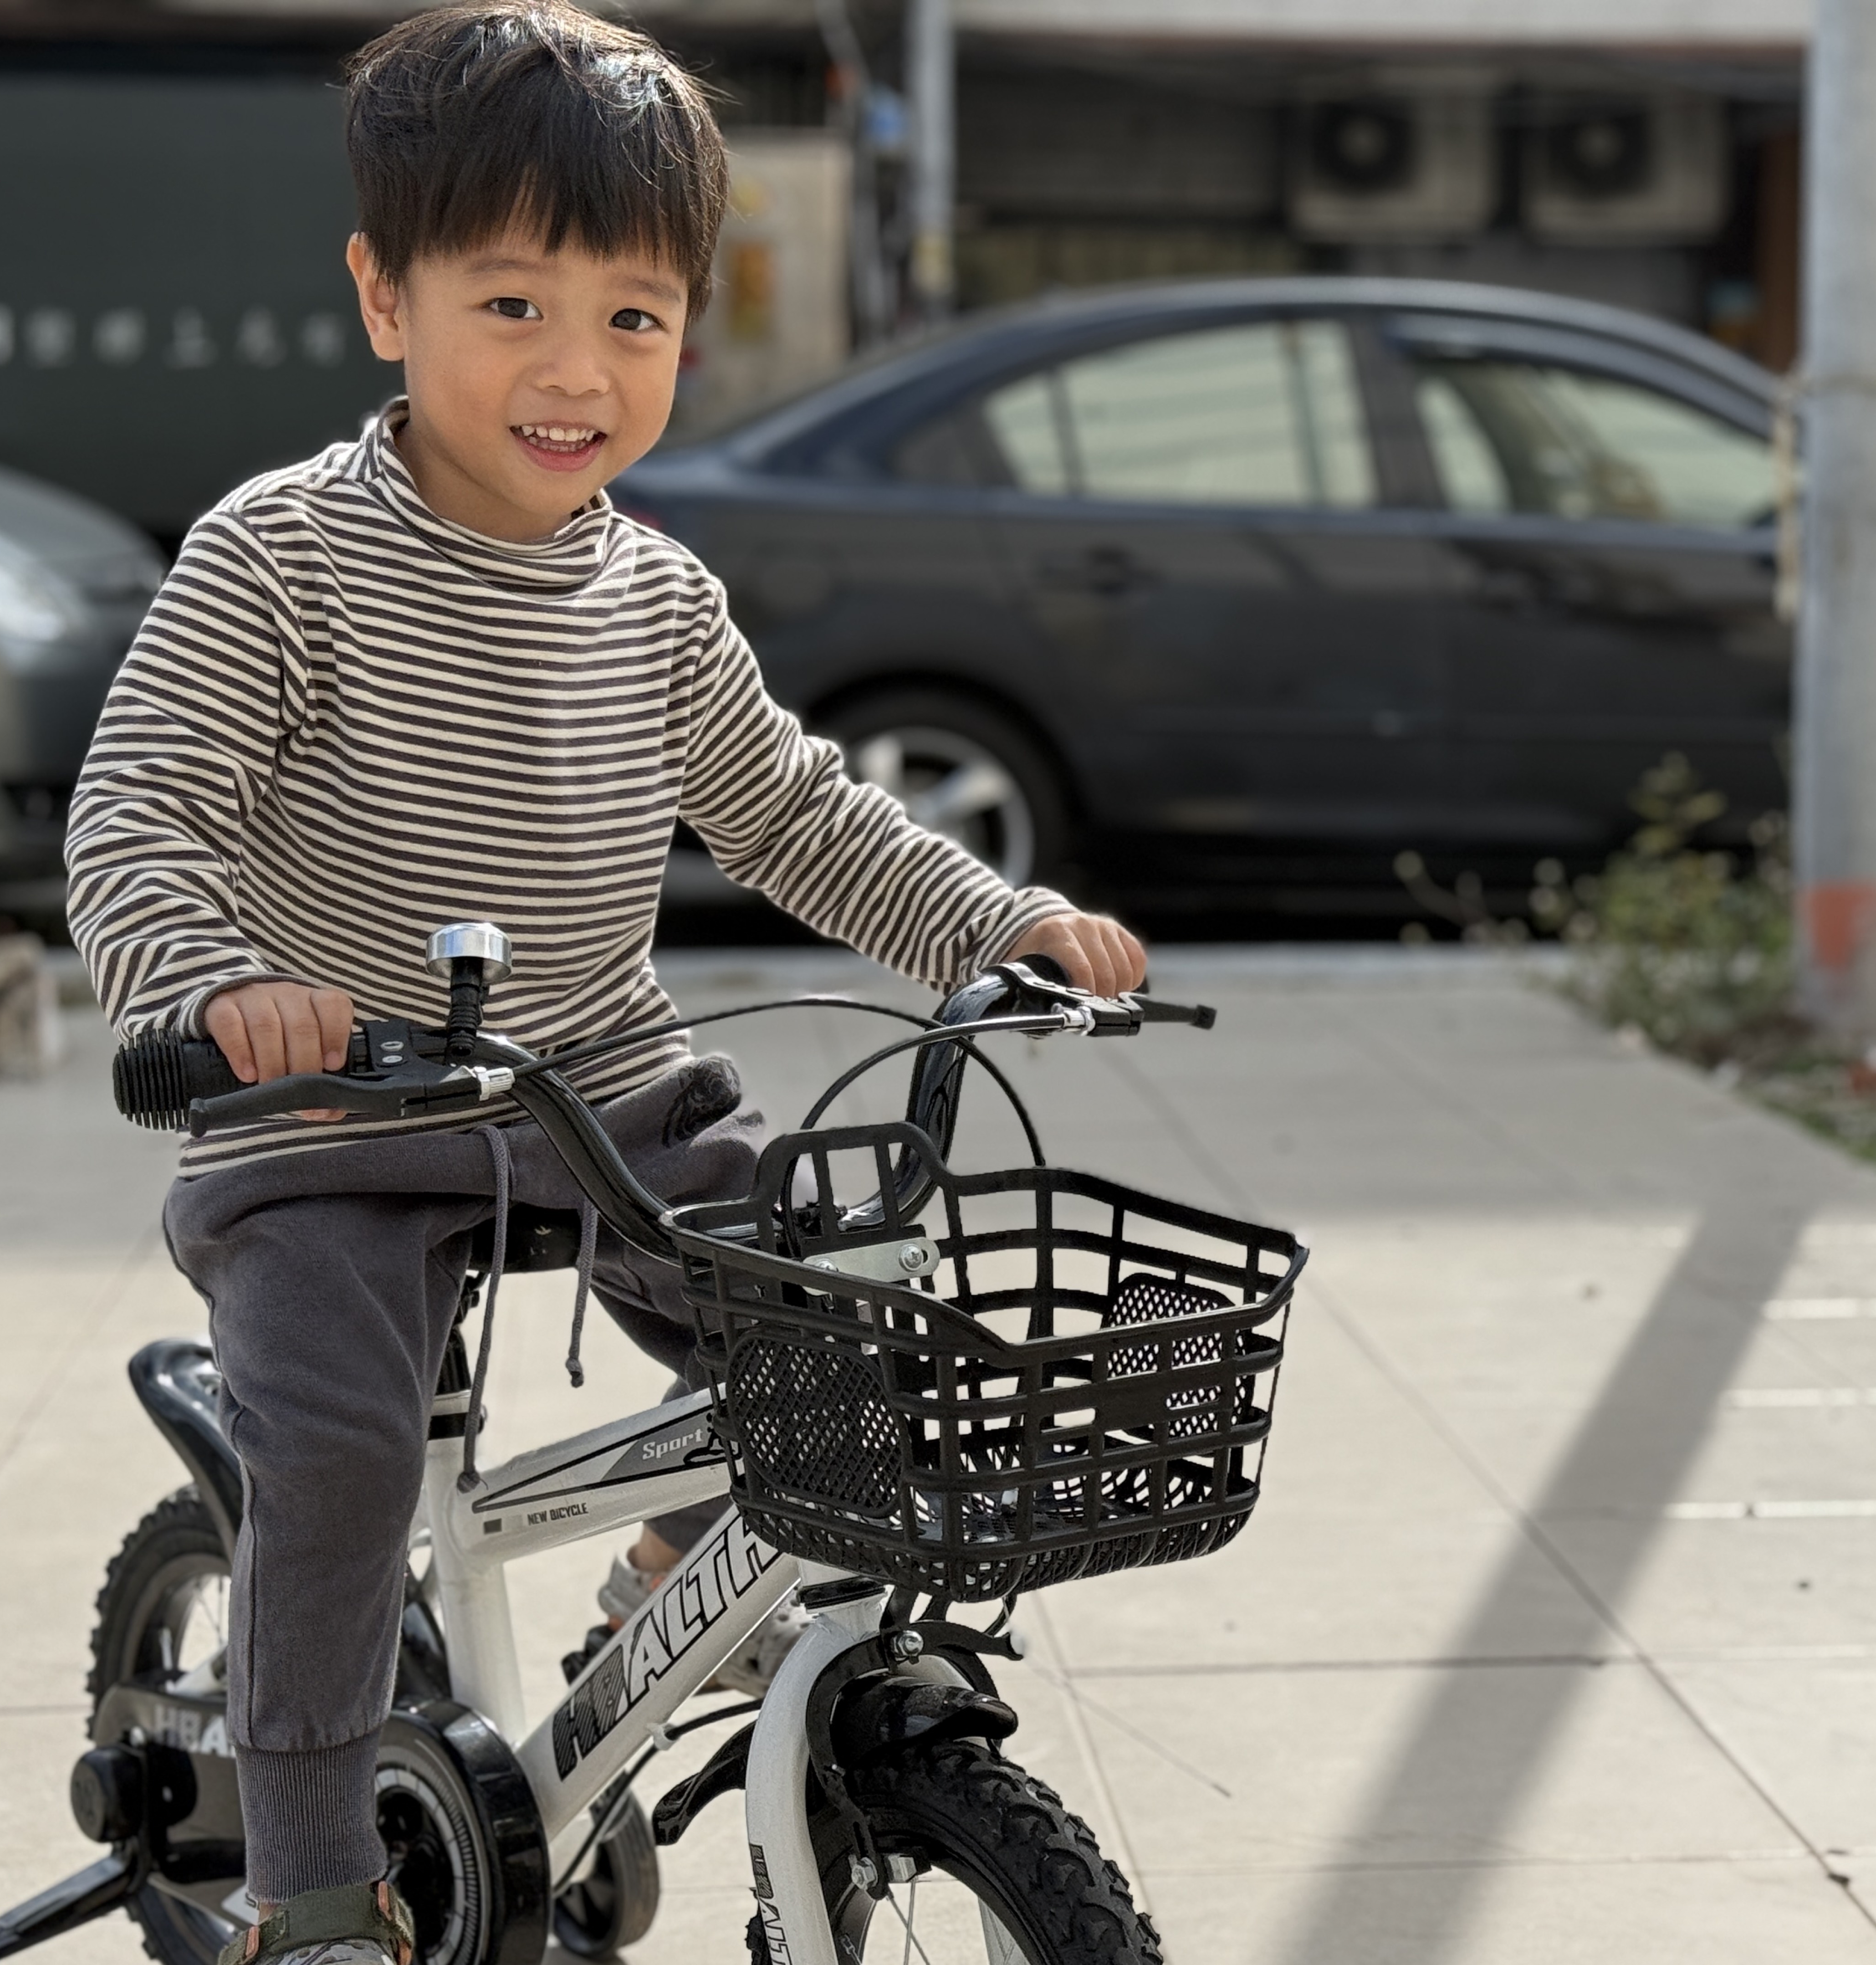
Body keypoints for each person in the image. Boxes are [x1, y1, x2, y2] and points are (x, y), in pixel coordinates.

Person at [63, 8, 1145, 1961]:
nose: (577, 370)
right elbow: (140, 813)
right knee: (336, 1460)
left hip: (602, 1093)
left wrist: (994, 921)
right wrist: (222, 987)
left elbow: (801, 815)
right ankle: (310, 1880)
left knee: (846, 1332)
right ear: (384, 299)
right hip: (330, 1117)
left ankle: (664, 1583)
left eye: (636, 319)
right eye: (511, 304)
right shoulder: (280, 560)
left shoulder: (657, 597)